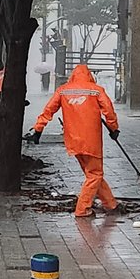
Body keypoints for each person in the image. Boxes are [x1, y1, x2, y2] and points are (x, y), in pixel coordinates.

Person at [24, 64, 120, 217]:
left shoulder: (63, 90)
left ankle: (111, 205)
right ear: (89, 75)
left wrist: (38, 129)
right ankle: (82, 209)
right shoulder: (96, 90)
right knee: (95, 174)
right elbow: (108, 111)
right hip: (91, 140)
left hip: (73, 140)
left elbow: (48, 110)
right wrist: (114, 129)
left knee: (92, 174)